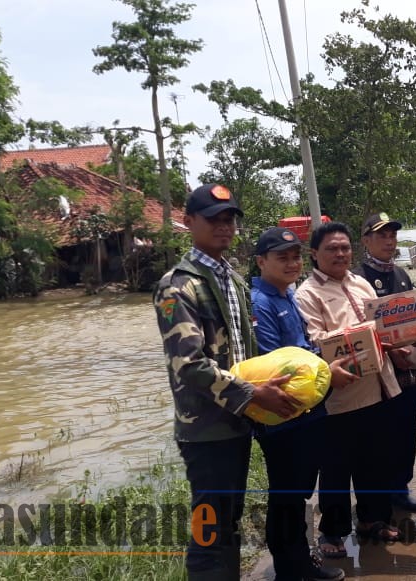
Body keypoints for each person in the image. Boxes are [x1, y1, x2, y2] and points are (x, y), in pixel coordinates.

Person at [153, 184, 291, 580]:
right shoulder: (175, 286)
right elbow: (189, 363)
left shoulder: (231, 278)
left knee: (227, 521)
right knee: (210, 528)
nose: (224, 226)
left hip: (236, 421)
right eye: (214, 219)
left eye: (229, 218)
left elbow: (244, 352)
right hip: (205, 428)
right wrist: (251, 394)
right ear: (188, 222)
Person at [249, 226, 352, 581]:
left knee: (297, 493)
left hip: (307, 411)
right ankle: (291, 569)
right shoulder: (260, 302)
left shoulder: (287, 295)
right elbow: (274, 364)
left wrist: (324, 368)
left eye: (295, 257)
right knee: (287, 495)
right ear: (261, 261)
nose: (291, 263)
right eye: (282, 257)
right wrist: (327, 372)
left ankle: (298, 560)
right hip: (283, 416)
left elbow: (304, 350)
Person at [295, 222, 404, 558]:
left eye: (344, 247)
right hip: (340, 396)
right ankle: (333, 532)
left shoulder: (361, 284)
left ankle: (374, 520)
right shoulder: (307, 294)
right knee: (337, 469)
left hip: (379, 387)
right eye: (331, 248)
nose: (340, 253)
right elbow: (316, 342)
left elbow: (382, 325)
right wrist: (364, 335)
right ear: (314, 254)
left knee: (377, 461)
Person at [351, 212, 416, 514]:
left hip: (409, 371)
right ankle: (377, 497)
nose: (389, 240)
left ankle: (400, 487)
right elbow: (359, 328)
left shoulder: (403, 275)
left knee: (407, 430)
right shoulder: (357, 279)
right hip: (379, 375)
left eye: (392, 234)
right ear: (366, 240)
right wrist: (389, 350)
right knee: (379, 436)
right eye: (381, 235)